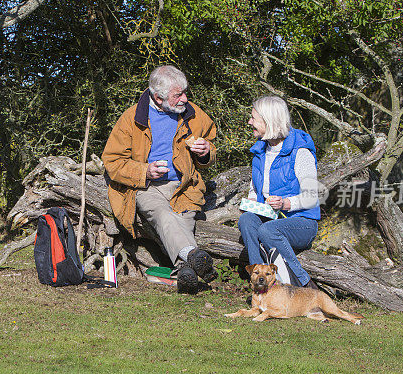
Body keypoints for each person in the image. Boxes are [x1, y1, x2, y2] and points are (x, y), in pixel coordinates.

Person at [102, 65, 218, 293]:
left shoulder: (193, 113)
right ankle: (193, 259)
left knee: (185, 220)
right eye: (178, 95)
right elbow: (112, 161)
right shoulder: (131, 118)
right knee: (163, 215)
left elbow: (211, 145)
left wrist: (206, 151)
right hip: (145, 187)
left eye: (185, 92)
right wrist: (144, 171)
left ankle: (186, 269)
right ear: (158, 97)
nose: (185, 98)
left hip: (184, 187)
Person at [238, 95, 320, 288]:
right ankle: (260, 282)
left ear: (269, 121)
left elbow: (312, 196)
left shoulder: (300, 153)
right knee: (247, 220)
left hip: (303, 223)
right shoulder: (260, 152)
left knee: (268, 230)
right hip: (272, 217)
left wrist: (286, 203)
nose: (250, 122)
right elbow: (255, 188)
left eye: (254, 118)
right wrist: (249, 203)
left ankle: (303, 283)